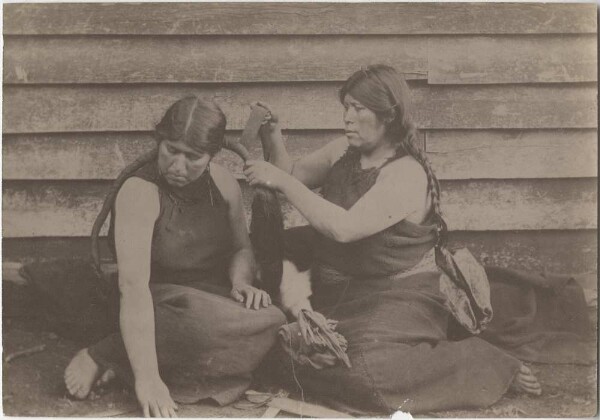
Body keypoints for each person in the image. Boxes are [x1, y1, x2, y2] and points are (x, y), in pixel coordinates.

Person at [243, 65, 546, 414]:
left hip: (398, 295)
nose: (348, 118)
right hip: (339, 291)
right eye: (346, 107)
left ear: (388, 116)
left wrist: (280, 182)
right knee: (292, 353)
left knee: (369, 376)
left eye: (359, 109)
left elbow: (345, 228)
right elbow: (293, 174)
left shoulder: (406, 174)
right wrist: (273, 135)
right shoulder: (343, 149)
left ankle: (482, 361)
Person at [64, 96, 286, 417]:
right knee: (197, 326)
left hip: (212, 297)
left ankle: (130, 360)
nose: (178, 167)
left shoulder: (223, 183)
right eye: (171, 150)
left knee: (274, 320)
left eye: (193, 157)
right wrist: (148, 380)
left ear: (211, 155)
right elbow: (133, 287)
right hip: (157, 303)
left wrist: (241, 282)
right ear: (160, 140)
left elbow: (241, 248)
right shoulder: (140, 192)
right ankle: (102, 354)